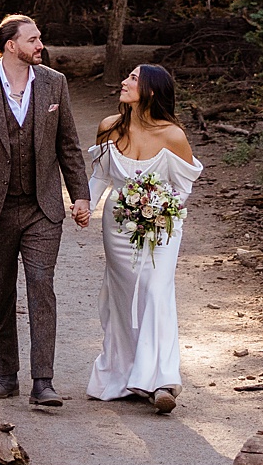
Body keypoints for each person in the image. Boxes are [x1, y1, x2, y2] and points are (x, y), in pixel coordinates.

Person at [0, 14, 92, 407]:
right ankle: (7, 375)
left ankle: (43, 381)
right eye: (34, 39)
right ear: (12, 46)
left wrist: (80, 195)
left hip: (43, 207)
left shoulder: (55, 84)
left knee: (42, 287)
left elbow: (69, 146)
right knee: (1, 292)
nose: (41, 44)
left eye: (40, 38)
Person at [85, 62, 202, 412]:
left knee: (155, 290)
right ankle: (123, 375)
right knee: (123, 299)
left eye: (133, 78)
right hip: (117, 226)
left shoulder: (172, 136)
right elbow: (101, 178)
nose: (124, 81)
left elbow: (182, 189)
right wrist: (83, 206)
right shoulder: (109, 128)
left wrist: (156, 208)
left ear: (150, 90)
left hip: (161, 227)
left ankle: (162, 381)